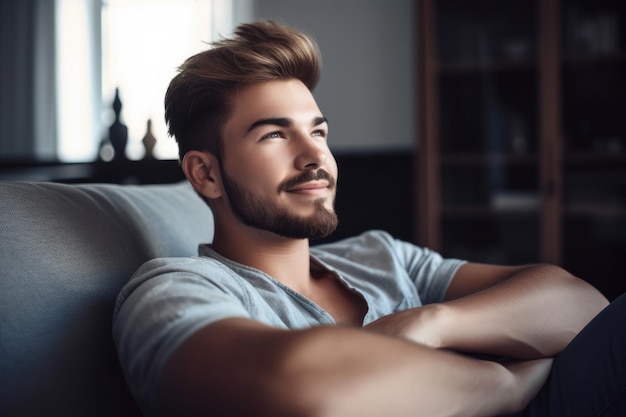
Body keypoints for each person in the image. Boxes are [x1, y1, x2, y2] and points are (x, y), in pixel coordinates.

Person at [113, 20, 625, 417]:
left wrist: (429, 324)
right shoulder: (176, 288)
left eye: (319, 132)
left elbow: (580, 306)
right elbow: (300, 390)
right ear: (205, 173)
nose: (313, 157)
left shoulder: (379, 255)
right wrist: (506, 385)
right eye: (274, 135)